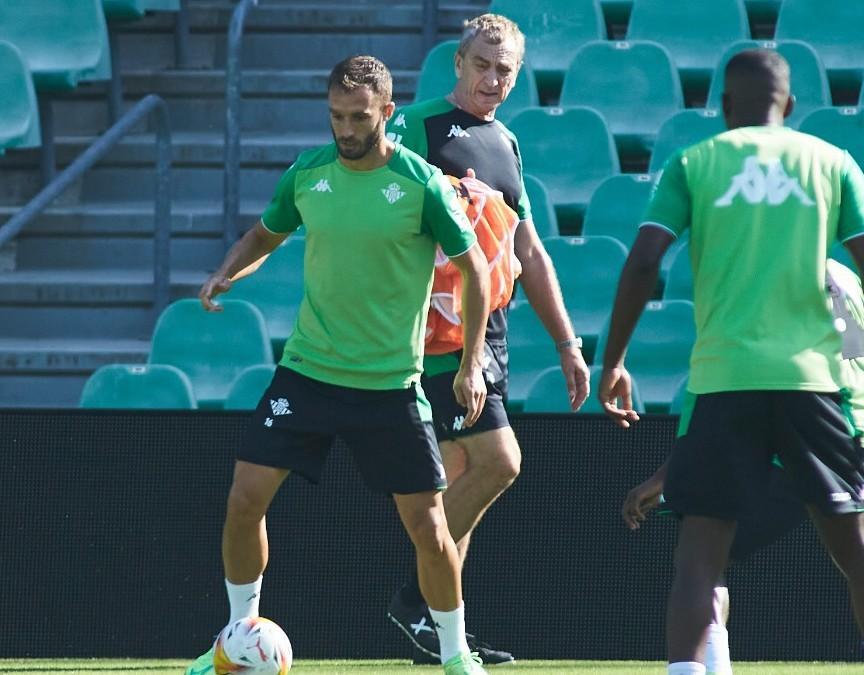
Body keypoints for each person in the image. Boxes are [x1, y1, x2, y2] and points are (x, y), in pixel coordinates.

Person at [184, 55, 492, 675]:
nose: (345, 129)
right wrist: (226, 271)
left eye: (358, 116)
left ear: (387, 112)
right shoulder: (308, 172)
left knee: (431, 531)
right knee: (244, 500)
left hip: (388, 384)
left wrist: (470, 361)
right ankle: (233, 641)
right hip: (308, 371)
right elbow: (265, 235)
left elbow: (476, 270)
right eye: (335, 116)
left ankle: (456, 656)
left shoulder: (421, 183)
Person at [599, 50, 864, 675]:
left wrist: (613, 360)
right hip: (814, 382)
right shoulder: (831, 163)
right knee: (854, 550)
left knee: (698, 559)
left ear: (723, 107)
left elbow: (642, 263)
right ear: (790, 106)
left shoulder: (694, 163)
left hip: (725, 381)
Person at [383, 13, 589, 664]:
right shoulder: (417, 127)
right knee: (500, 461)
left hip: (488, 332)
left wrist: (566, 343)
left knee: (464, 476)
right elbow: (380, 217)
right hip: (435, 336)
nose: (492, 79)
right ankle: (416, 602)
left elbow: (527, 248)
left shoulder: (505, 144)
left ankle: (441, 633)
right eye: (482, 64)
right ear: (458, 64)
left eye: (505, 70)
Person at [621, 259, 864, 675]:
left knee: (701, 556)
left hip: (797, 439)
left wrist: (669, 472)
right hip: (844, 432)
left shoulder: (760, 278)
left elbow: (726, 382)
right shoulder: (845, 275)